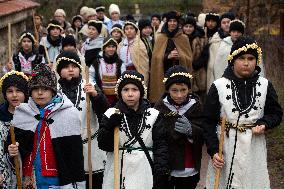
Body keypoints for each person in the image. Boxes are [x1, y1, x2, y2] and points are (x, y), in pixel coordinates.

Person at [202, 36, 283, 189]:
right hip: (225, 146)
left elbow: (276, 113)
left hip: (254, 146)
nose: (246, 63)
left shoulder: (265, 85)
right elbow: (207, 122)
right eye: (242, 58)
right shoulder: (218, 86)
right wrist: (213, 151)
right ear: (233, 60)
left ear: (256, 60)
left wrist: (264, 123)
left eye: (251, 58)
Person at [8, 64, 86, 188]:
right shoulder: (22, 112)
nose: (39, 92)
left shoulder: (69, 113)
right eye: (35, 88)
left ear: (53, 90)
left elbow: (74, 156)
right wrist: (13, 150)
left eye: (45, 88)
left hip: (57, 179)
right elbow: (15, 146)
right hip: (29, 178)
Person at [98, 70, 161, 189]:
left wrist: (161, 171)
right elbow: (104, 145)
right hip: (117, 170)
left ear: (141, 92)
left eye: (135, 89)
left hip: (144, 169)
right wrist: (110, 127)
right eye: (126, 90)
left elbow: (161, 145)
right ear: (120, 92)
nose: (130, 94)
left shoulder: (154, 115)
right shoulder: (111, 113)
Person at [56, 51, 108, 189]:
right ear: (59, 70)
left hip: (90, 148)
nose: (71, 69)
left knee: (94, 183)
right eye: (66, 67)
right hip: (65, 148)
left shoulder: (90, 85)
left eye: (74, 66)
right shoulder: (54, 91)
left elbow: (104, 113)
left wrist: (96, 96)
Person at [153, 65, 203, 189]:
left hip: (189, 166)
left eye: (183, 90)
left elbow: (204, 132)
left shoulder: (196, 106)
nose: (179, 95)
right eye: (174, 90)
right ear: (167, 90)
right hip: (167, 166)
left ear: (189, 89)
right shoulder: (159, 108)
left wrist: (192, 131)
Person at [150, 11, 192, 103]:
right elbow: (155, 58)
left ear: (177, 23)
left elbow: (189, 58)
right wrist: (167, 56)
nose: (172, 23)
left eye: (174, 21)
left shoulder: (184, 38)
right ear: (167, 22)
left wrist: (180, 56)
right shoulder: (160, 37)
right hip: (164, 71)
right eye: (170, 21)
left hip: (179, 73)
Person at [0, 71, 29, 189]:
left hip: (28, 173)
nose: (14, 95)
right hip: (5, 174)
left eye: (18, 91)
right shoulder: (1, 117)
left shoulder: (33, 115)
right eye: (10, 91)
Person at [89, 37, 126, 106]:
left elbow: (123, 78)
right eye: (108, 47)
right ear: (104, 48)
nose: (111, 49)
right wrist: (96, 88)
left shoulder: (120, 63)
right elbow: (90, 76)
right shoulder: (97, 63)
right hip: (100, 96)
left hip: (117, 98)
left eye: (113, 47)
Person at [206, 12, 235, 92]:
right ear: (220, 24)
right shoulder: (215, 39)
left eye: (228, 22)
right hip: (217, 76)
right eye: (223, 22)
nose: (226, 24)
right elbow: (211, 63)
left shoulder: (239, 39)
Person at [182, 16, 207, 103]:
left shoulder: (201, 39)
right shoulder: (180, 39)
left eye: (190, 26)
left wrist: (196, 64)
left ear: (194, 27)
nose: (188, 29)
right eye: (186, 26)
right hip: (184, 70)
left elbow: (205, 54)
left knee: (198, 96)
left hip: (198, 71)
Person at [117, 21, 149, 85]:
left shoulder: (140, 44)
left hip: (135, 72)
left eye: (131, 28)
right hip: (122, 72)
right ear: (124, 31)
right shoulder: (121, 45)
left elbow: (143, 64)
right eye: (127, 29)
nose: (129, 30)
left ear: (136, 31)